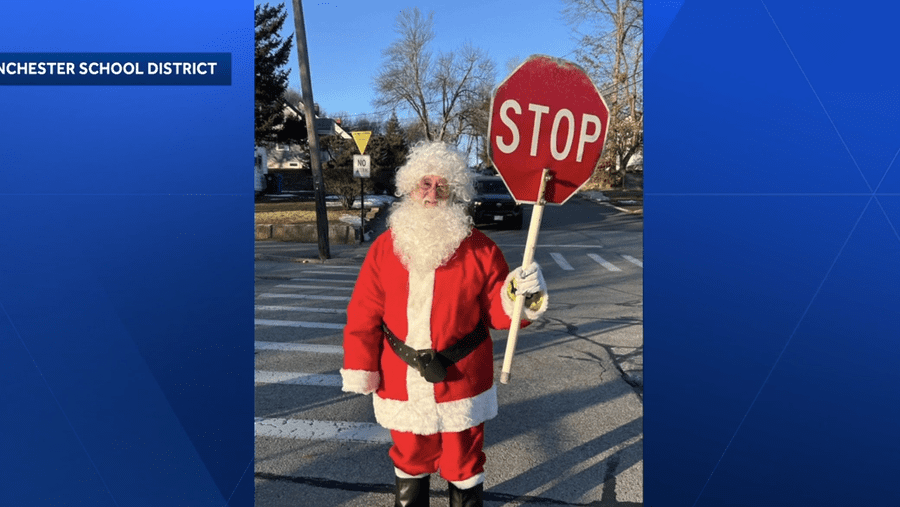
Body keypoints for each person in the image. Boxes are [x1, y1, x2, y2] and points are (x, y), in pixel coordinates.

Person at [341, 141, 548, 507]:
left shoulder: (481, 249)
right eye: (425, 183)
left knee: (464, 465)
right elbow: (363, 312)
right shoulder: (385, 248)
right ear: (409, 187)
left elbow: (499, 315)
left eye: (442, 185)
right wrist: (361, 366)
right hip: (401, 381)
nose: (432, 193)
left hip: (463, 381)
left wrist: (520, 296)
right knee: (409, 462)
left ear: (455, 193)